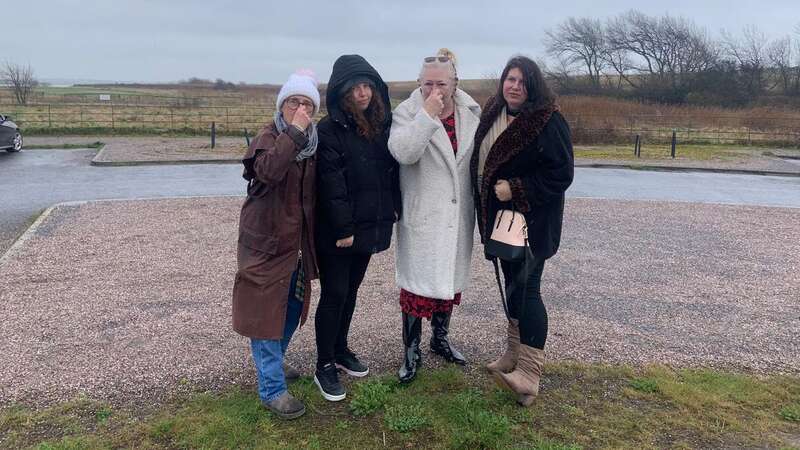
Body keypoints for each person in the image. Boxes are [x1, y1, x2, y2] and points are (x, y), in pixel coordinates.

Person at [470, 55, 574, 406]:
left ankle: (529, 375)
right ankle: (513, 354)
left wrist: (515, 188)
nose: (514, 86)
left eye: (522, 81)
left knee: (528, 291)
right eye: (509, 79)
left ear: (533, 86)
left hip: (532, 224)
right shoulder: (494, 112)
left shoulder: (548, 120)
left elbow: (561, 175)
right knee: (512, 289)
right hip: (501, 223)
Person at [231, 69, 321, 419]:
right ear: (282, 105)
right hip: (265, 245)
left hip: (296, 246)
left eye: (307, 104)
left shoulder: (311, 143)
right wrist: (295, 133)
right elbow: (267, 171)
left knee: (293, 308)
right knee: (265, 314)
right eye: (294, 102)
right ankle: (271, 388)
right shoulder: (268, 138)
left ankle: (275, 363)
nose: (300, 109)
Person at [388, 49, 481, 383]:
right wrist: (427, 116)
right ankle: (410, 352)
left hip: (457, 214)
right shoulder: (407, 112)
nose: (435, 90)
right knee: (417, 285)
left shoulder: (472, 112)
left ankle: (439, 339)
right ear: (418, 82)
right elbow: (404, 152)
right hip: (423, 214)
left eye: (441, 83)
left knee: (449, 281)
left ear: (455, 82)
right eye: (427, 84)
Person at [313, 54, 400, 401]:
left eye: (368, 86)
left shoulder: (380, 125)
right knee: (334, 294)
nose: (363, 93)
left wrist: (393, 209)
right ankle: (324, 365)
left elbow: (387, 175)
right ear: (343, 92)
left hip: (367, 229)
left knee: (351, 291)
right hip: (339, 232)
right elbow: (331, 184)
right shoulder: (329, 129)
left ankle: (340, 349)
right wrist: (344, 228)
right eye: (356, 87)